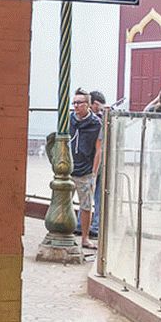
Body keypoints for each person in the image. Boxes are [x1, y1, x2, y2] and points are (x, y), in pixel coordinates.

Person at [70, 88, 102, 250]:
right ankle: (66, 233)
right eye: (74, 103)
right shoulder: (69, 119)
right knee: (64, 202)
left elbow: (99, 149)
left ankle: (85, 237)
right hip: (69, 168)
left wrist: (94, 173)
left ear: (88, 105)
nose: (76, 106)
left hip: (85, 170)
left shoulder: (96, 124)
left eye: (79, 103)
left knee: (86, 205)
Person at [76, 90, 107, 239]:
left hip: (92, 163)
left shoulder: (96, 122)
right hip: (87, 163)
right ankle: (87, 226)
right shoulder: (79, 120)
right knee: (90, 196)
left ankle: (87, 226)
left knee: (90, 196)